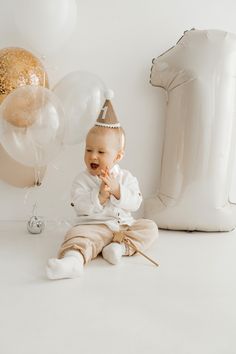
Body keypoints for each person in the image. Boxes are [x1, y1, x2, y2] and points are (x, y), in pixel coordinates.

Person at [46, 91, 158, 280]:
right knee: (76, 236)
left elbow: (136, 202)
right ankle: (73, 262)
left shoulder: (126, 178)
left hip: (122, 228)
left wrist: (116, 191)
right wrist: (99, 196)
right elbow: (80, 206)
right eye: (88, 150)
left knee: (150, 228)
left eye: (101, 151)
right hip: (92, 227)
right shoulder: (81, 180)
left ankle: (119, 249)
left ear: (118, 156)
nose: (93, 156)